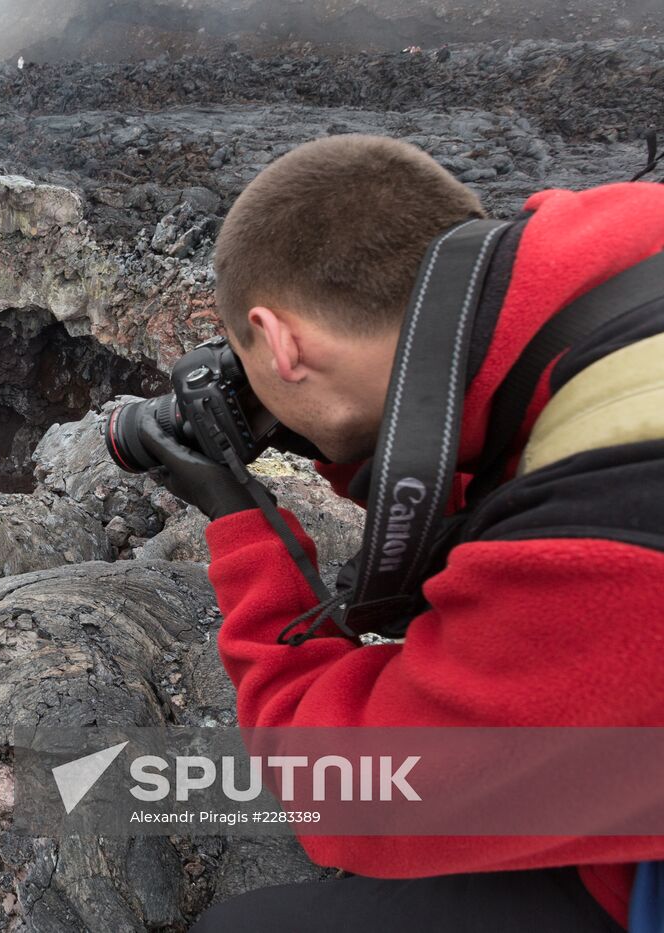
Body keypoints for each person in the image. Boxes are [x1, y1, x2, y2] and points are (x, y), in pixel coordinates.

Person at [133, 134, 664, 931]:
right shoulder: (613, 243)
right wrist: (341, 434)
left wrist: (244, 525)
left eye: (258, 371)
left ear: (281, 343)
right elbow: (501, 440)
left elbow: (350, 792)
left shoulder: (606, 530)